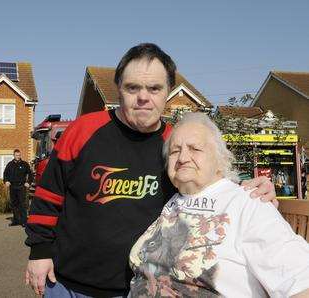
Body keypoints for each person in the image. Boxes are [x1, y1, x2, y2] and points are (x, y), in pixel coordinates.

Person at [25, 43, 277, 297]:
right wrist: (39, 252)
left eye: (154, 88)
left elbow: (208, 187)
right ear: (119, 90)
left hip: (140, 289)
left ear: (167, 91)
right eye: (133, 87)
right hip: (67, 285)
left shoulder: (175, 145)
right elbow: (48, 196)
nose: (143, 97)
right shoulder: (83, 130)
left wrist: (249, 191)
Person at [129, 112, 309, 297]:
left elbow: (299, 280)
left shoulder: (248, 202)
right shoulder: (173, 200)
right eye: (175, 151)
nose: (182, 158)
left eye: (195, 149)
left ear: (220, 160)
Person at [3, 149, 33, 227]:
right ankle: (16, 220)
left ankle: (24, 221)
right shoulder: (10, 164)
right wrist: (6, 181)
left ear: (20, 155)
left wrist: (28, 182)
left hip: (21, 187)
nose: (18, 157)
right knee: (14, 204)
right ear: (14, 155)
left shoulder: (24, 164)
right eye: (16, 155)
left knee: (22, 204)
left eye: (19, 155)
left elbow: (30, 174)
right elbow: (5, 173)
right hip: (12, 187)